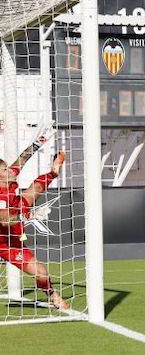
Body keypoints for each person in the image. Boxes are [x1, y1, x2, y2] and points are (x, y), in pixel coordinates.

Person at [0, 132, 68, 311]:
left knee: (42, 272)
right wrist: (30, 215)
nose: (11, 170)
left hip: (12, 240)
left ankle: (53, 295)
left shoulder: (10, 178)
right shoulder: (1, 197)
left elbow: (23, 157)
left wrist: (40, 141)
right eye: (6, 170)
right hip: (4, 242)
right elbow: (5, 221)